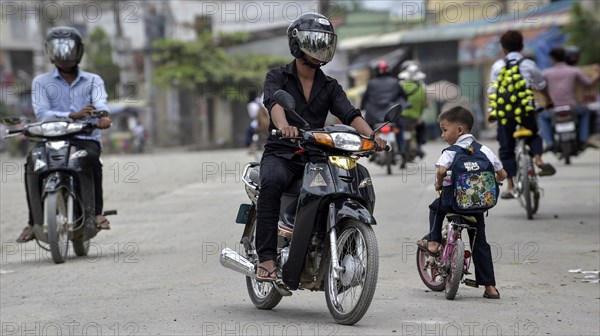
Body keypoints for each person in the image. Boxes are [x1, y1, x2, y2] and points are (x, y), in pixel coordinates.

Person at [256, 13, 386, 281]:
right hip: (282, 152)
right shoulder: (277, 76)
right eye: (313, 43)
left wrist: (372, 136)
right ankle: (267, 258)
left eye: (324, 43)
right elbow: (275, 105)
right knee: (272, 182)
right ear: (296, 45)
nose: (319, 49)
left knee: (351, 182)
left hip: (316, 155)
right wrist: (283, 126)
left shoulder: (329, 85)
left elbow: (350, 115)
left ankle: (334, 243)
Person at [17, 26, 112, 243]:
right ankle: (34, 222)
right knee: (32, 162)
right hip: (50, 138)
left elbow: (100, 103)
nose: (64, 55)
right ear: (50, 52)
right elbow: (42, 113)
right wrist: (74, 114)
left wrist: (103, 117)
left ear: (79, 51)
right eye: (59, 50)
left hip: (85, 138)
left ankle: (97, 213)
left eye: (69, 49)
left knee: (91, 160)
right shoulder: (41, 81)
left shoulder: (93, 80)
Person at [418, 106, 507, 299]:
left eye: (444, 129)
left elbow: (441, 171)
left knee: (436, 208)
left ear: (459, 130)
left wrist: (439, 183)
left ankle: (433, 242)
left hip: (453, 202)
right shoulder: (485, 150)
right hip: (478, 207)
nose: (442, 135)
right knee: (480, 243)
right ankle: (490, 287)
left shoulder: (451, 151)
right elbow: (503, 174)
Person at [488, 30, 555, 200]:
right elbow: (541, 84)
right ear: (522, 46)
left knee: (506, 148)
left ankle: (510, 186)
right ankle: (538, 159)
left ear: (503, 49)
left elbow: (492, 91)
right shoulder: (529, 64)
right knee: (533, 135)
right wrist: (548, 100)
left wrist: (492, 112)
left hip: (505, 114)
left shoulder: (497, 66)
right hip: (525, 110)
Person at [539, 47, 600, 151]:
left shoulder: (546, 73)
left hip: (553, 109)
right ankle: (583, 138)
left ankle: (549, 142)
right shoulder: (574, 71)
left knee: (542, 117)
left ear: (552, 59)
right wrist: (597, 75)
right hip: (572, 107)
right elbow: (588, 83)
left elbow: (537, 85)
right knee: (585, 112)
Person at [360, 60, 406, 128]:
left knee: (368, 132)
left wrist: (362, 108)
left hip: (373, 115)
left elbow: (365, 98)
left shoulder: (371, 83)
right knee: (400, 127)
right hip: (391, 115)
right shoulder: (395, 82)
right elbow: (404, 96)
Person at [398, 61, 428, 158]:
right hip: (415, 118)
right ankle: (420, 146)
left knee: (397, 129)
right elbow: (425, 104)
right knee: (421, 127)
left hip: (401, 117)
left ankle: (399, 148)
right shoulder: (422, 87)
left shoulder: (400, 85)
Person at [245, 90, 261, 154]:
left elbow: (253, 115)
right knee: (249, 130)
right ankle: (251, 145)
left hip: (259, 122)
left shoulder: (252, 104)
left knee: (249, 130)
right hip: (258, 121)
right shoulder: (255, 103)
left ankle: (251, 146)